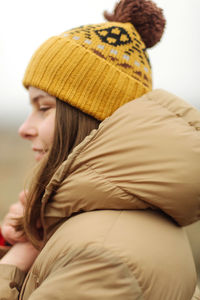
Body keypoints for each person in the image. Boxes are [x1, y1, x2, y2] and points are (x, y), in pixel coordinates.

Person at [0, 0, 200, 299]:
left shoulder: (101, 254)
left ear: (92, 116)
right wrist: (11, 241)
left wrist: (16, 260)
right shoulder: (98, 228)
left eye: (44, 108)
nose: (24, 128)